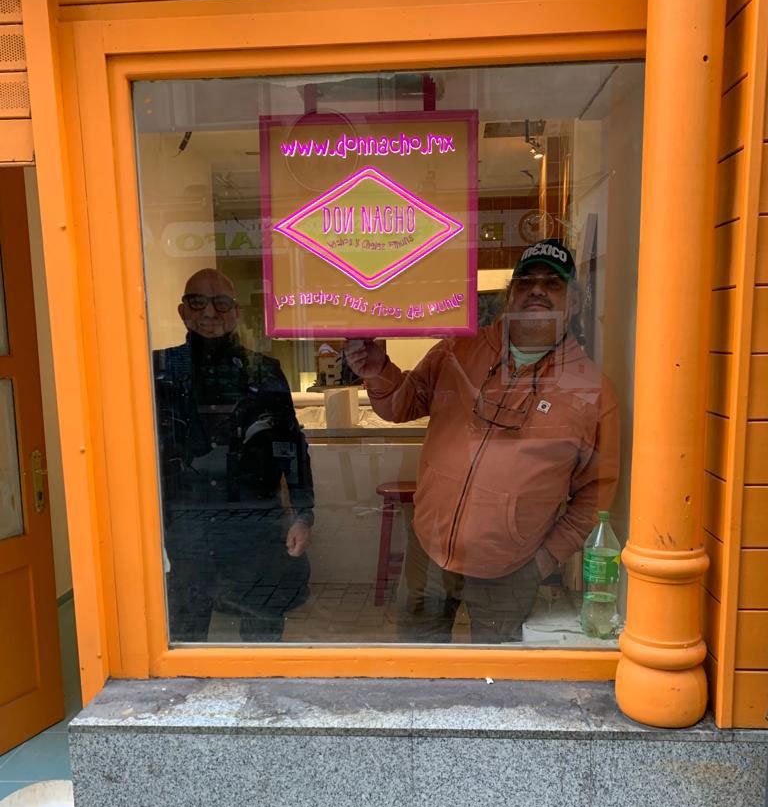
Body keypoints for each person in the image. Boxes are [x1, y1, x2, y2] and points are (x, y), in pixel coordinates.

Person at [345, 239, 619, 643]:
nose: (537, 290)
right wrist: (377, 370)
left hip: (510, 570)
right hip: (428, 550)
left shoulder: (591, 391)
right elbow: (402, 404)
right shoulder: (458, 349)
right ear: (511, 295)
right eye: (526, 282)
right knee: (416, 664)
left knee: (496, 675)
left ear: (575, 302)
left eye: (553, 283)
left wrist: (543, 562)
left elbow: (596, 496)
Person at [153, 268, 313, 642]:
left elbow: (291, 447)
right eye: (198, 302)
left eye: (221, 303)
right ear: (183, 311)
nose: (210, 312)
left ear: (236, 312)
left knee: (262, 624)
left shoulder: (264, 371)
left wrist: (303, 513)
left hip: (254, 521)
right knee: (186, 632)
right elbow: (139, 452)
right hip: (185, 521)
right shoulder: (160, 370)